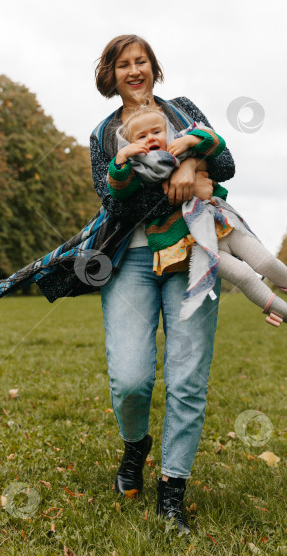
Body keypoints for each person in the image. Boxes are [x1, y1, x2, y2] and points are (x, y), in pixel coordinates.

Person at [90, 34, 235, 533]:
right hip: (128, 257)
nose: (134, 71)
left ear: (154, 68)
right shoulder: (104, 133)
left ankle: (172, 488)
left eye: (142, 62)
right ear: (110, 75)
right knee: (130, 378)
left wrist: (192, 164)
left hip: (193, 248)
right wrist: (134, 164)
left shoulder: (184, 109)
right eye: (123, 65)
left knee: (188, 374)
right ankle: (136, 446)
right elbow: (111, 202)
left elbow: (226, 162)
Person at [108, 106, 287, 336]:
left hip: (220, 221)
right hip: (192, 243)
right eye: (142, 136)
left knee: (265, 261)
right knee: (244, 276)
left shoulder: (181, 145)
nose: (151, 138)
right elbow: (119, 192)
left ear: (166, 131)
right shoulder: (137, 170)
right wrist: (121, 158)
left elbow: (216, 143)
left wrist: (188, 141)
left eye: (156, 131)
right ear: (131, 145)